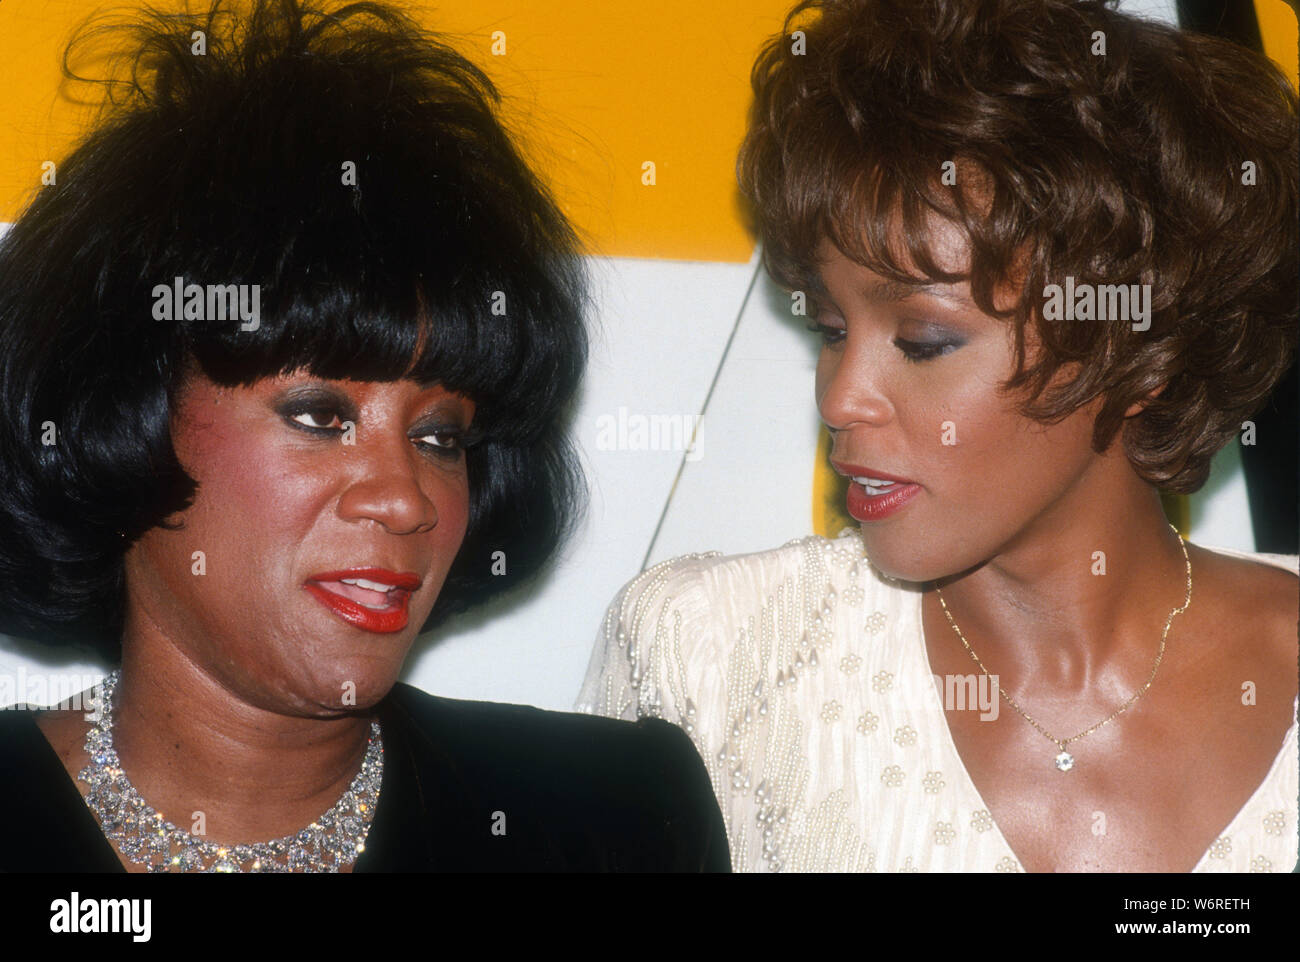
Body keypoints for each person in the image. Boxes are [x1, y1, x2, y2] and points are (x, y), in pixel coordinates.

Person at [0, 0, 728, 872]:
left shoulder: (612, 819)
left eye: (439, 437)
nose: (404, 498)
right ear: (123, 414)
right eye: (320, 417)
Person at [578, 0, 1298, 872]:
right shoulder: (709, 659)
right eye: (831, 330)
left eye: (923, 342)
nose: (842, 398)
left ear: (1141, 355)